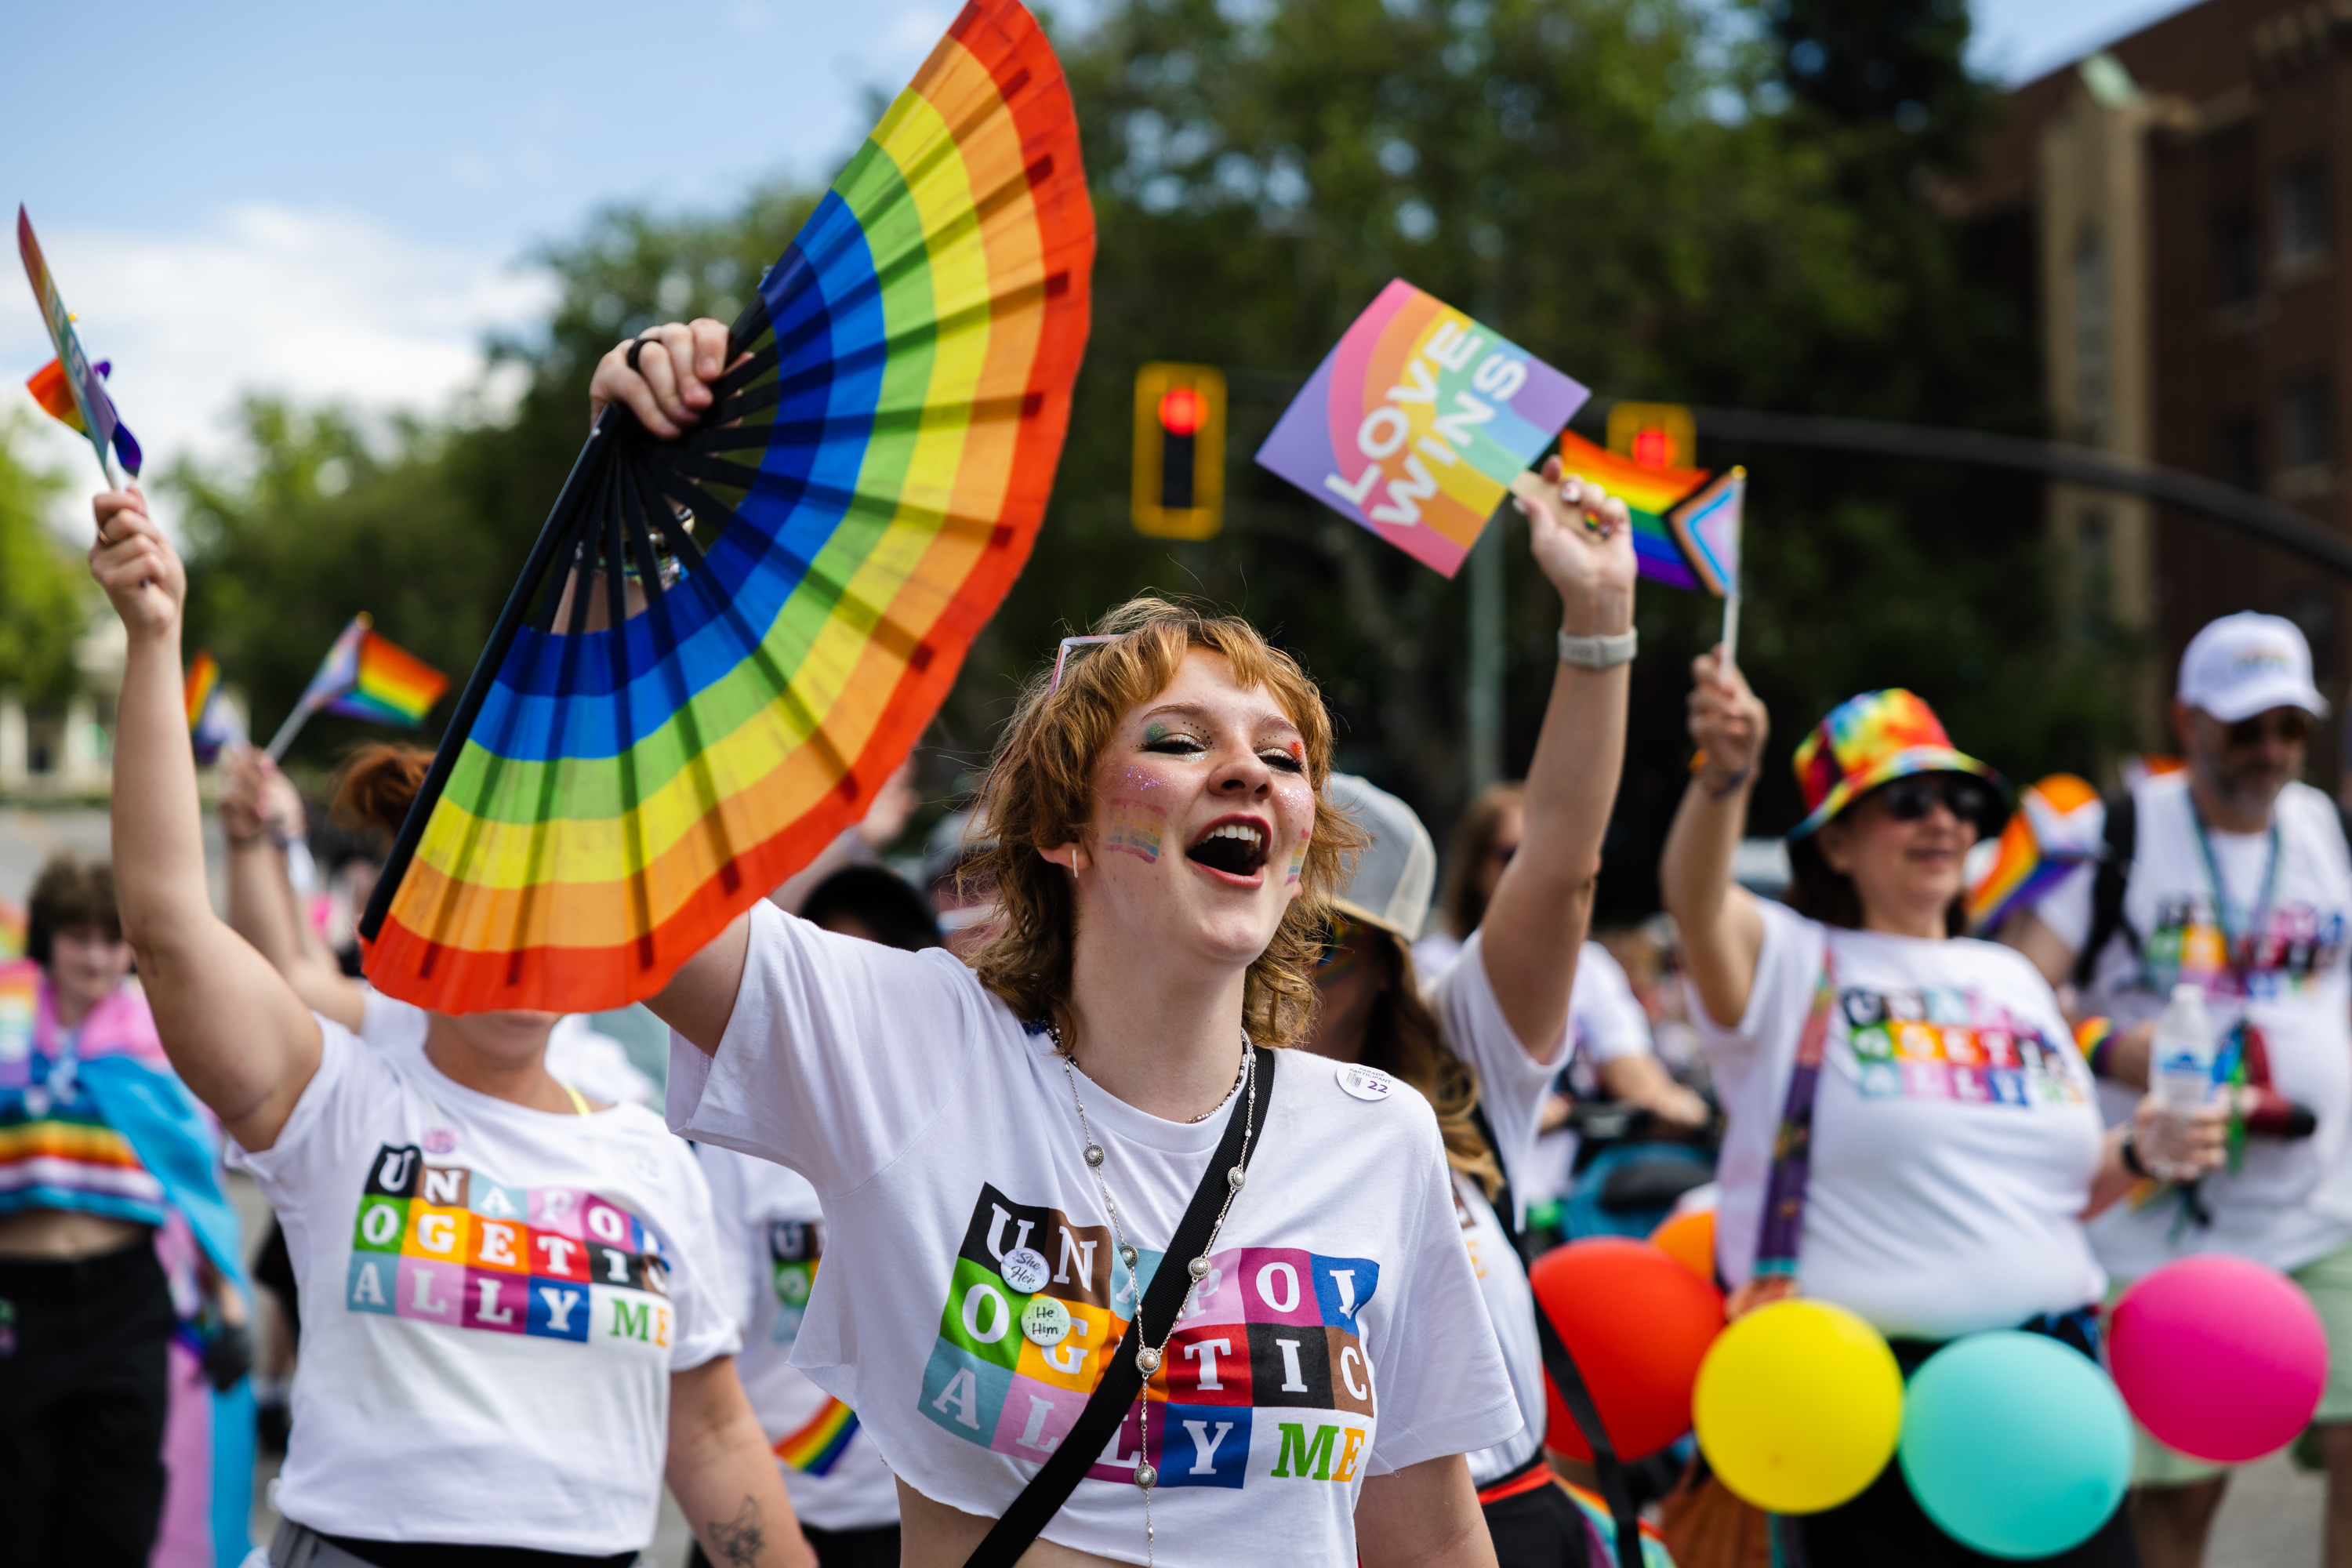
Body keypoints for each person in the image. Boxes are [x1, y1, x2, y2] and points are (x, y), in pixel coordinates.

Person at [607, 318, 1525, 1567]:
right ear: (1063, 832)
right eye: (1181, 741)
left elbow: (1426, 1536)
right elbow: (629, 883)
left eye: (1283, 758)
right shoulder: (915, 1051)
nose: (1247, 774)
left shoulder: (1376, 1134)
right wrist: (642, 524)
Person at [88, 483, 815, 1568]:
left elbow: (709, 1430)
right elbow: (166, 928)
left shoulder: (653, 1160)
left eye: (554, 904)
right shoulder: (337, 1099)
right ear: (425, 920)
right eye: (491, 902)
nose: (526, 939)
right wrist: (155, 640)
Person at [1663, 655, 2228, 1566]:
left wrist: (2145, 1146)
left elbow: (2063, 1187)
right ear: (1836, 842)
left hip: (2053, 1397)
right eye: (1908, 799)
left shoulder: (2010, 977)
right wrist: (1725, 775)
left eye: (1960, 803)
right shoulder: (1794, 961)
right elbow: (1693, 895)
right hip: (1872, 1420)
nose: (1943, 820)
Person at [1996, 612, 2352, 1568]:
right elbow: (2015, 1001)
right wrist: (2120, 1051)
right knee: (2182, 1497)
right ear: (2187, 719)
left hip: (2322, 1208)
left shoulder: (2324, 828)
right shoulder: (2111, 828)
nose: (2273, 751)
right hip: (2162, 1226)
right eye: (2247, 728)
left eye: (2293, 727)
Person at [0, 855, 251, 1568]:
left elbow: (194, 1187)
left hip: (127, 1298)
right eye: (79, 936)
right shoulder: (5, 1014)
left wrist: (227, 1307)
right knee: (15, 1512)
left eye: (114, 940)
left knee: (117, 1510)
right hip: (18, 1299)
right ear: (47, 936)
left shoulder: (156, 1036)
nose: (98, 956)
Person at [696, 895, 946, 1568]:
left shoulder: (960, 1124)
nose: (838, 1009)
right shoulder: (737, 1141)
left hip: (922, 1524)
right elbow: (705, 1336)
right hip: (778, 1512)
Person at [216, 745, 657, 1109]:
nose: (525, 1001)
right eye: (490, 937)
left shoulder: (622, 1110)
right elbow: (287, 976)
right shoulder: (407, 1024)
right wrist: (255, 840)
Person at [1421, 782, 1707, 1132]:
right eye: (1513, 856)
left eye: (1546, 859)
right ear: (1476, 869)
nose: (1531, 876)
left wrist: (1661, 1098)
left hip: (1573, 1179)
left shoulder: (1590, 966)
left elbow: (1626, 1058)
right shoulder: (1433, 964)